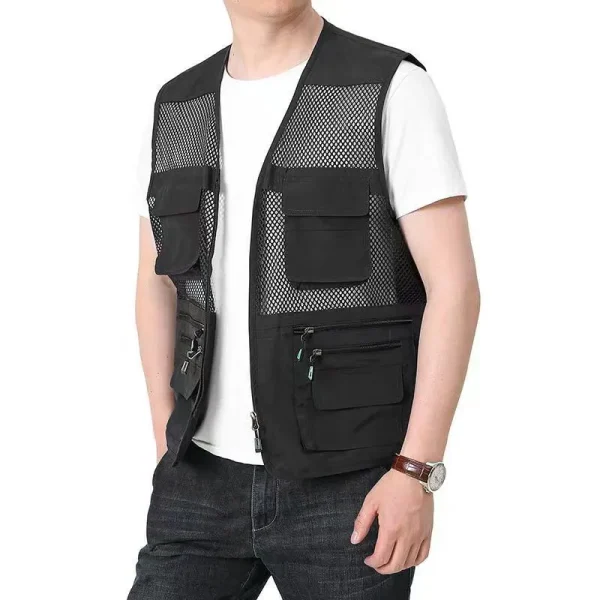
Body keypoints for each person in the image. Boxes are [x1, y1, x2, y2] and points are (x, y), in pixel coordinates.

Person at [130, 1, 479, 598]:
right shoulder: (177, 106)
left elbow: (455, 289)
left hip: (351, 487)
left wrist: (416, 470)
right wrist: (167, 440)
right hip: (198, 482)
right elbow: (157, 282)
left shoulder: (389, 87)